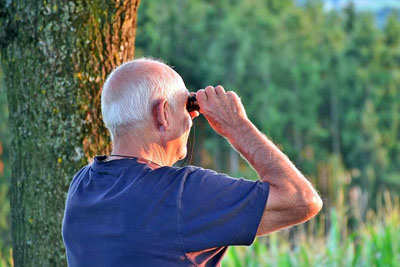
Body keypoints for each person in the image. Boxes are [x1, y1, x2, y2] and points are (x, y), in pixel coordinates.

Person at [62, 58, 322, 267]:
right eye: (186, 107)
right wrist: (236, 125)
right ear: (163, 114)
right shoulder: (181, 195)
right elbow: (301, 199)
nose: (191, 119)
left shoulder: (82, 187)